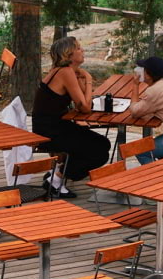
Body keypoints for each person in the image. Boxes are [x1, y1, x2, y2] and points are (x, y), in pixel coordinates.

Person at [31, 34, 109, 194]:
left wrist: (81, 77)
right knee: (99, 153)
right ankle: (57, 178)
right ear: (69, 54)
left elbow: (82, 102)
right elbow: (86, 107)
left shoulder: (66, 71)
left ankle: (58, 172)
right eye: (79, 48)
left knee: (103, 144)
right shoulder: (65, 72)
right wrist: (88, 80)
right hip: (50, 131)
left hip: (57, 125)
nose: (83, 50)